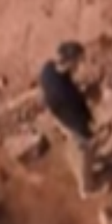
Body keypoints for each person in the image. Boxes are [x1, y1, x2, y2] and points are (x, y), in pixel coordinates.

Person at [40, 41, 97, 197]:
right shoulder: (63, 93)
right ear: (70, 61)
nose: (80, 64)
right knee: (87, 148)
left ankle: (77, 163)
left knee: (75, 144)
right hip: (70, 120)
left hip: (59, 116)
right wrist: (86, 128)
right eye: (78, 60)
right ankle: (86, 187)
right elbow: (76, 114)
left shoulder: (48, 69)